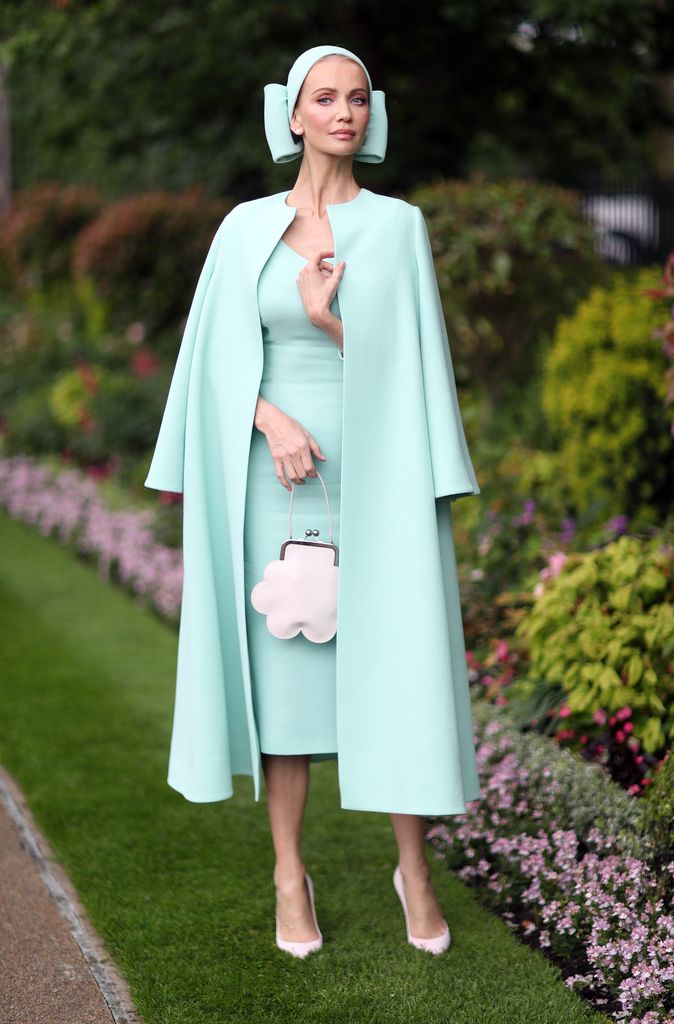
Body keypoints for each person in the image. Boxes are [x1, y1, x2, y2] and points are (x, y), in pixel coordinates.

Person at [144, 43, 482, 959]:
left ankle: (413, 869)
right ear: (292, 115)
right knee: (287, 691)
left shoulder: (399, 229)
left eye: (358, 99)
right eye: (325, 99)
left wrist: (333, 322)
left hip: (381, 474)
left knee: (397, 667)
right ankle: (289, 877)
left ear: (371, 117)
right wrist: (268, 420)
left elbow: (416, 370)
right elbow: (207, 364)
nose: (343, 112)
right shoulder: (241, 228)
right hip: (271, 482)